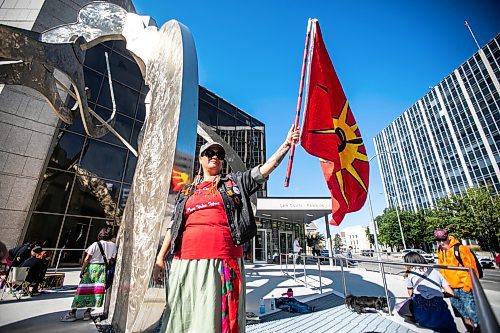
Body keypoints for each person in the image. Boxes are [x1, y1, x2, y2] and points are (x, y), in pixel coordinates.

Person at [153, 125, 300, 333]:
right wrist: (160, 258)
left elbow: (263, 171)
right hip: (184, 262)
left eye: (219, 154)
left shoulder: (234, 182)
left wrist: (286, 145)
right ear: (201, 159)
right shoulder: (187, 191)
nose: (215, 156)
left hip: (222, 262)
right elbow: (174, 226)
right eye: (209, 153)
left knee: (215, 320)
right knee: (183, 317)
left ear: (222, 161)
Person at [61, 227, 117, 322]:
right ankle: (88, 312)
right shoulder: (113, 245)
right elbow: (112, 260)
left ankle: (73, 312)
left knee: (83, 290)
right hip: (102, 269)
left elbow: (87, 258)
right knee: (95, 291)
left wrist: (82, 270)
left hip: (92, 268)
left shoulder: (96, 244)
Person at [435, 228, 479, 332]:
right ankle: (470, 330)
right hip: (451, 288)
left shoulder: (460, 249)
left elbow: (472, 269)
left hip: (464, 288)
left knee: (473, 314)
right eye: (438, 240)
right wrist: (444, 285)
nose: (441, 243)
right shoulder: (440, 250)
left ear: (448, 238)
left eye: (443, 240)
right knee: (463, 315)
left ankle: (479, 330)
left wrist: (467, 288)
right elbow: (442, 268)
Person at [404, 251, 458, 333]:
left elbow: (410, 293)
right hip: (438, 305)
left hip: (421, 307)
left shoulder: (410, 274)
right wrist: (437, 294)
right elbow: (450, 293)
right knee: (447, 327)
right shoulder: (436, 272)